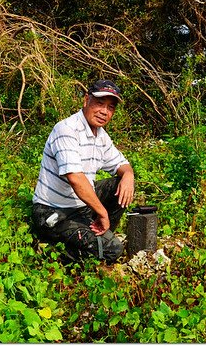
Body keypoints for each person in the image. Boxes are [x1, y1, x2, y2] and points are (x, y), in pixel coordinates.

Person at [31, 79, 135, 263]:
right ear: (86, 100)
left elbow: (122, 165)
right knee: (113, 251)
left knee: (120, 184)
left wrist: (129, 175)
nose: (104, 111)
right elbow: (76, 179)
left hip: (80, 207)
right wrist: (102, 212)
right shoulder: (67, 129)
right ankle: (49, 251)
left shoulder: (100, 136)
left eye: (110, 107)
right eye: (100, 103)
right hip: (53, 211)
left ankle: (100, 231)